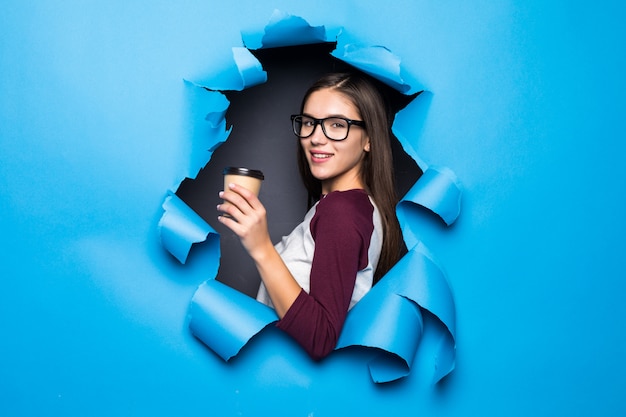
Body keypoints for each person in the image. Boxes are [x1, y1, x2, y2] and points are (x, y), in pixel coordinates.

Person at [217, 72, 404, 360]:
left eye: (337, 125)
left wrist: (261, 248)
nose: (316, 138)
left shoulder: (341, 211)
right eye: (309, 123)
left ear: (369, 139)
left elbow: (321, 338)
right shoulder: (344, 207)